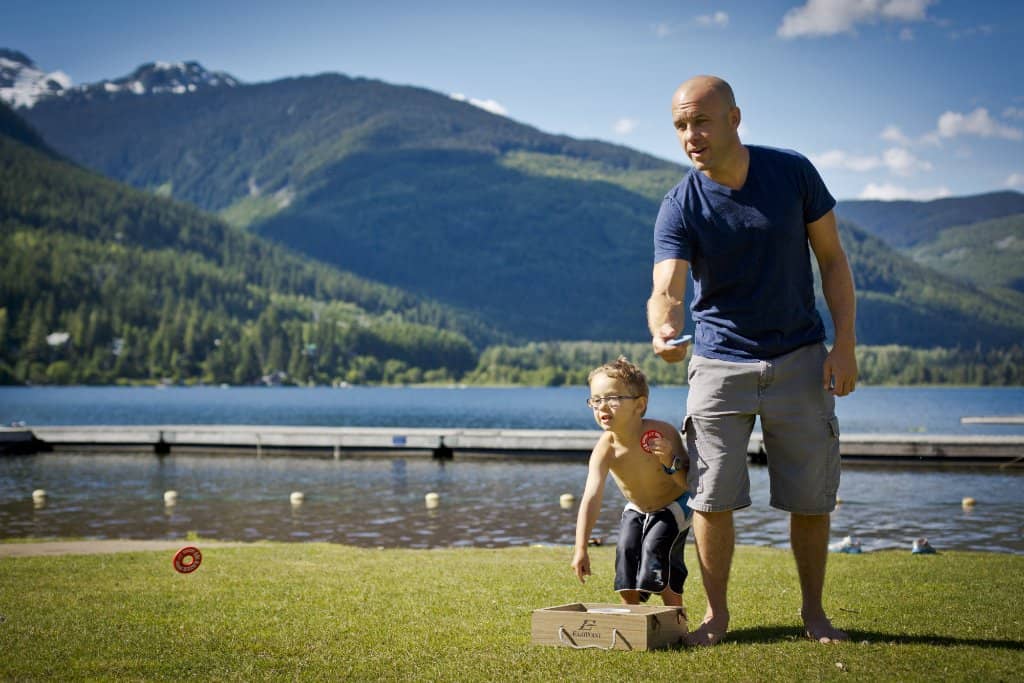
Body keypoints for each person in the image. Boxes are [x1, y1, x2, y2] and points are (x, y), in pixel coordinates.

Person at [647, 75, 858, 646]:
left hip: (800, 358)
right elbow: (666, 287)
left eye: (701, 122)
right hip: (718, 366)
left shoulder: (793, 174)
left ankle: (814, 615)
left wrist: (845, 345)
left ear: (735, 119)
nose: (691, 135)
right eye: (681, 126)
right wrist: (665, 329)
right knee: (712, 498)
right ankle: (717, 617)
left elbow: (833, 261)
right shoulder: (680, 204)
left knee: (810, 498)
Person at [571, 357, 691, 607]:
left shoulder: (664, 433)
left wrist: (669, 459)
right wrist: (581, 547)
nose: (602, 407)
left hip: (675, 503)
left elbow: (687, 483)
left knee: (656, 549)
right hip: (638, 506)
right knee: (625, 553)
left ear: (639, 405)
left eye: (612, 399)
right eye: (596, 400)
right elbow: (591, 497)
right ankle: (632, 615)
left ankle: (676, 617)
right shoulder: (606, 449)